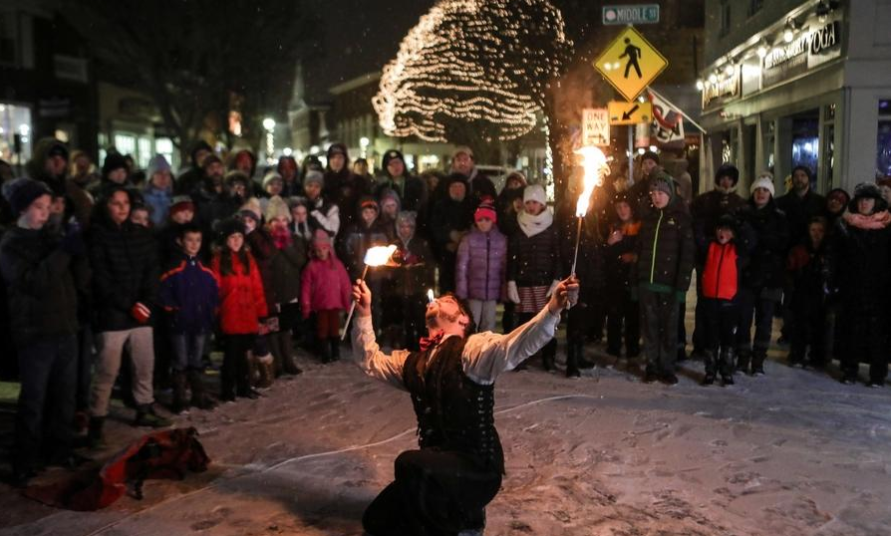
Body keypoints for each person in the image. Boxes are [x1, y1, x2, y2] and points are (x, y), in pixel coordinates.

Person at [351, 274, 578, 536]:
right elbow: (370, 361)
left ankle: (458, 519)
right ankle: (462, 513)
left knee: (409, 465)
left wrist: (552, 309)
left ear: (463, 319)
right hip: (438, 469)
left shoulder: (473, 350)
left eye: (447, 300)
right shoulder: (412, 363)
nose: (436, 299)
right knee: (376, 520)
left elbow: (514, 346)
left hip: (476, 469)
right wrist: (364, 312)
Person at [0, 178, 90, 486]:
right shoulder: (12, 243)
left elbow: (72, 281)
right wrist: (64, 252)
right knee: (34, 400)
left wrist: (77, 250)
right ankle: (24, 460)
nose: (45, 213)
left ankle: (59, 450)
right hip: (36, 332)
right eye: (39, 207)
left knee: (64, 397)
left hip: (64, 328)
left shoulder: (50, 238)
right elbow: (34, 282)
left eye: (47, 207)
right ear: (22, 209)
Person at [88, 186, 170, 446]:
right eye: (115, 202)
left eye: (125, 202)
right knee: (107, 371)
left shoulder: (141, 235)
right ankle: (96, 422)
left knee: (144, 364)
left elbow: (151, 270)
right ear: (106, 205)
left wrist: (146, 303)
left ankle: (144, 408)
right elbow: (100, 278)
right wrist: (127, 305)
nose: (122, 207)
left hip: (141, 314)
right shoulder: (97, 236)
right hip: (113, 316)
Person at [633, 172, 695, 385]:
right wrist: (637, 282)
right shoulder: (648, 220)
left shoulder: (680, 220)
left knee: (669, 328)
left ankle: (667, 366)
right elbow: (640, 252)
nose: (656, 197)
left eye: (660, 192)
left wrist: (681, 286)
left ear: (670, 194)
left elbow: (687, 256)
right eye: (653, 193)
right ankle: (652, 364)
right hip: (648, 285)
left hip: (669, 286)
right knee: (649, 327)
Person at [831, 183, 891, 386]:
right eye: (861, 199)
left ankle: (877, 373)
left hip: (879, 289)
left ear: (876, 202)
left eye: (869, 199)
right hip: (852, 287)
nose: (864, 203)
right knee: (852, 331)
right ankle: (850, 369)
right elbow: (837, 257)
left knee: (877, 334)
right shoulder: (846, 225)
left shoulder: (886, 226)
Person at [157, 223, 219, 413]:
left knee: (197, 360)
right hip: (179, 324)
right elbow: (163, 293)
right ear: (180, 241)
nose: (194, 244)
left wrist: (210, 313)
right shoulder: (173, 269)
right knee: (180, 361)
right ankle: (179, 398)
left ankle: (198, 395)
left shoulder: (205, 270)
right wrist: (172, 310)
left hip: (200, 323)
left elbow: (213, 294)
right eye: (190, 240)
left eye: (198, 240)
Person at [735, 175, 788, 376]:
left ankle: (758, 360)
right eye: (758, 190)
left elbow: (782, 244)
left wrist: (759, 240)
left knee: (765, 322)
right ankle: (742, 358)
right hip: (746, 276)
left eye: (765, 190)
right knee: (743, 320)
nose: (761, 193)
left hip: (770, 277)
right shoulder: (742, 214)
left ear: (771, 194)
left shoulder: (779, 217)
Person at [211, 217, 268, 400]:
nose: (236, 241)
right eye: (232, 237)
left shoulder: (248, 259)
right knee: (231, 355)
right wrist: (216, 314)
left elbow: (257, 287)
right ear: (225, 240)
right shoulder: (218, 261)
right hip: (230, 314)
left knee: (245, 354)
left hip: (247, 314)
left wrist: (261, 313)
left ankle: (244, 386)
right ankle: (228, 390)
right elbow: (215, 289)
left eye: (239, 237)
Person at [507, 184, 561, 371]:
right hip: (524, 282)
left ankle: (548, 358)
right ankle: (522, 356)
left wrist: (556, 279)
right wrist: (511, 281)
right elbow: (513, 256)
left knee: (547, 322)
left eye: (535, 202)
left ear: (542, 204)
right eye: (528, 202)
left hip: (545, 283)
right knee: (525, 323)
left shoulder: (551, 227)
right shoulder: (518, 225)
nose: (531, 206)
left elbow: (557, 256)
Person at [699, 215, 747, 386]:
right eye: (720, 229)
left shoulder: (737, 249)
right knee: (711, 337)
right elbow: (699, 236)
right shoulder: (709, 246)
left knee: (728, 337)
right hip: (710, 298)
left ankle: (726, 370)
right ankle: (710, 370)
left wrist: (740, 226)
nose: (722, 233)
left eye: (727, 230)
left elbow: (750, 241)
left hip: (729, 300)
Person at [263, 195, 307, 377]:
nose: (280, 224)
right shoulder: (264, 240)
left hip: (289, 291)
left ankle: (288, 360)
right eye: (275, 220)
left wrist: (285, 245)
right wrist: (275, 245)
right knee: (273, 328)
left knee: (286, 328)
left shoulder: (295, 239)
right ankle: (277, 363)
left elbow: (300, 261)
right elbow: (266, 262)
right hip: (272, 293)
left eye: (283, 220)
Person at [786, 217, 832, 369]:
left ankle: (816, 358)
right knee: (800, 324)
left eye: (820, 230)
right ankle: (797, 355)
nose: (816, 234)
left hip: (821, 294)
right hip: (802, 291)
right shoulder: (800, 249)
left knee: (819, 326)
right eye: (813, 230)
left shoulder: (829, 250)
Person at [456, 199, 507, 333]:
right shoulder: (469, 240)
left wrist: (504, 289)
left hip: (492, 292)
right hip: (474, 291)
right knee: (472, 323)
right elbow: (462, 267)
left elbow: (504, 267)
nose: (483, 223)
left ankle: (486, 351)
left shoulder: (501, 241)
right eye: (480, 220)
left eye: (487, 219)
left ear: (493, 220)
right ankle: (471, 349)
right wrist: (462, 290)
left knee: (489, 324)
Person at [301, 230, 352, 362]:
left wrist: (347, 302)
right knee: (322, 329)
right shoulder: (311, 267)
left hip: (335, 304)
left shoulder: (337, 265)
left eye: (324, 248)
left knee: (335, 329)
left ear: (329, 248)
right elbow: (306, 287)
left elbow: (345, 284)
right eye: (318, 249)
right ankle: (325, 354)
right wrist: (306, 306)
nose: (321, 252)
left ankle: (335, 352)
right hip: (320, 304)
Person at [386, 211, 435, 350]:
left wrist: (419, 266)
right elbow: (388, 267)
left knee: (419, 319)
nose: (405, 229)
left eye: (409, 226)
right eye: (402, 226)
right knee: (403, 320)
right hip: (399, 290)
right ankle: (404, 346)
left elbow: (429, 264)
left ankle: (420, 346)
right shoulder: (393, 245)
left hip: (418, 288)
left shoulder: (420, 244)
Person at [604, 192, 641, 361]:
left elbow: (644, 249)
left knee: (633, 316)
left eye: (625, 206)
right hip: (615, 279)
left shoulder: (640, 227)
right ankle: (614, 350)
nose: (622, 210)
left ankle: (633, 351)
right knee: (614, 316)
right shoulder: (612, 227)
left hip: (633, 278)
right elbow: (605, 254)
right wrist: (609, 243)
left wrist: (635, 257)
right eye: (618, 207)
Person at [429, 174, 475, 294]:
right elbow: (435, 228)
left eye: (460, 187)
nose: (457, 190)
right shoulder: (440, 206)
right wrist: (450, 235)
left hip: (470, 258)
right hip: (447, 256)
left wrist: (464, 239)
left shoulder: (472, 205)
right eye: (453, 187)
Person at [304, 170, 340, 237]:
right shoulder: (299, 203)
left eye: (317, 186)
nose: (312, 189)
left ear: (321, 189)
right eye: (310, 185)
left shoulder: (330, 207)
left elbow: (332, 230)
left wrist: (315, 213)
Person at [143, 155, 174, 227]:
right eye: (159, 173)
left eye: (167, 174)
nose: (164, 177)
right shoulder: (143, 199)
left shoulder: (174, 197)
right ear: (151, 176)